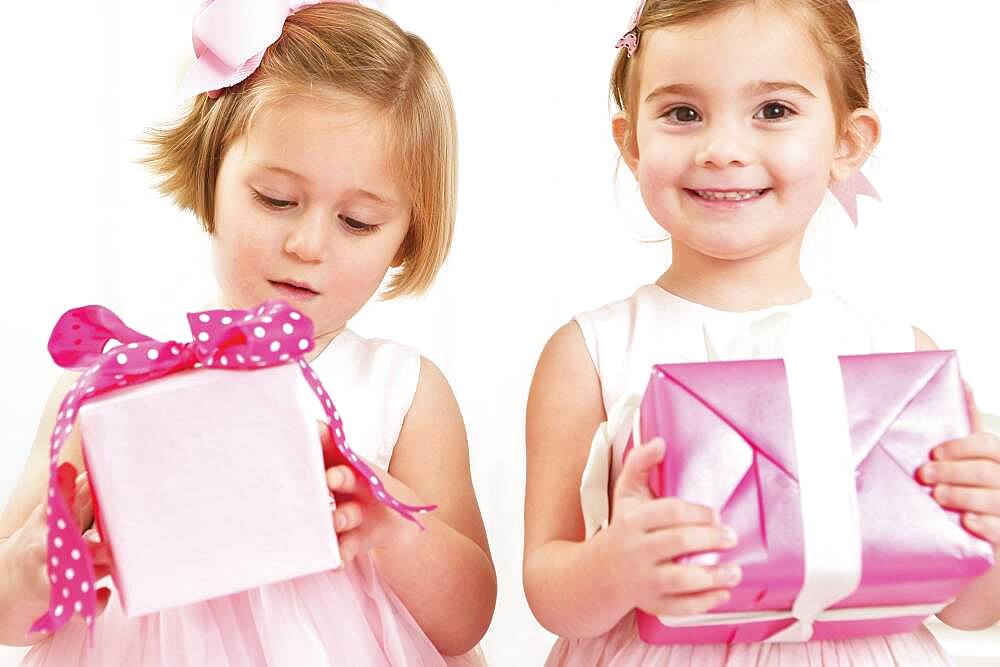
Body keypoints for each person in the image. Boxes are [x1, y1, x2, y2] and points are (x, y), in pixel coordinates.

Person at [0, 2, 495, 664]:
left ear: (409, 233)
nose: (307, 243)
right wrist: (35, 571)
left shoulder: (400, 390)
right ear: (211, 172)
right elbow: (8, 612)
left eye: (357, 221)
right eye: (276, 199)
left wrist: (400, 530)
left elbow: (466, 620)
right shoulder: (120, 376)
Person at [523, 1, 1000, 664]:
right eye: (682, 113)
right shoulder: (589, 353)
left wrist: (991, 532)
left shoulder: (901, 352)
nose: (722, 150)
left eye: (773, 110)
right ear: (632, 141)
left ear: (848, 141)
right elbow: (547, 588)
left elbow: (968, 606)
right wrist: (614, 567)